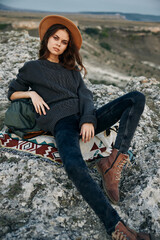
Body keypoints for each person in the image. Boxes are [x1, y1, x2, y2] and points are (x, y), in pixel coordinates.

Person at [7, 15, 154, 240]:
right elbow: (12, 92)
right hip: (62, 123)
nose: (58, 43)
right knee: (74, 166)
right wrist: (31, 93)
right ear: (47, 38)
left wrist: (88, 119)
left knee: (136, 97)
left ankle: (112, 163)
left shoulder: (71, 68)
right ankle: (116, 226)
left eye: (64, 41)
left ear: (67, 46)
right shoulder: (32, 68)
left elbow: (85, 95)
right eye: (55, 37)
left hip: (86, 118)